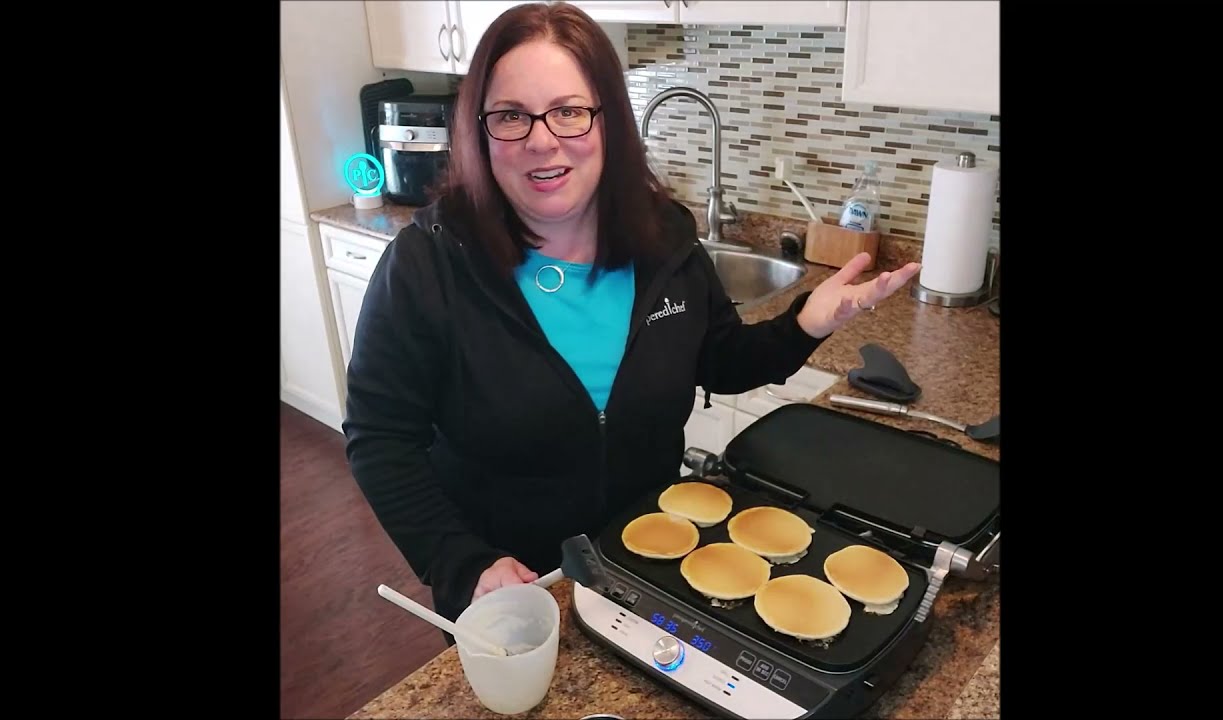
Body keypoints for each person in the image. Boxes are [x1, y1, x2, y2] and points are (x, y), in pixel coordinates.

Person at [342, 1, 921, 638]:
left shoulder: (661, 239)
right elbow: (380, 438)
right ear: (480, 129)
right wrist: (462, 564)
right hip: (516, 596)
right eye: (511, 115)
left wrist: (804, 324)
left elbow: (719, 358)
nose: (542, 139)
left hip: (653, 569)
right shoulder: (426, 265)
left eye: (568, 110)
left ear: (609, 121)